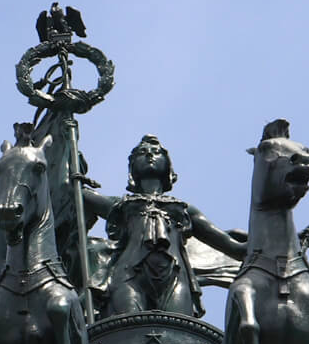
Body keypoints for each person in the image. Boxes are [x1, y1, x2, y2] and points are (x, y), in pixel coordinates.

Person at [83, 135, 248, 317]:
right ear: (132, 168)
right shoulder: (122, 205)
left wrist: (263, 237)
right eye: (142, 153)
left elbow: (232, 247)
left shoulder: (184, 210)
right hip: (128, 276)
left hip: (175, 277)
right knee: (126, 329)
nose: (149, 156)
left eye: (156, 152)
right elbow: (77, 192)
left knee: (180, 330)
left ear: (167, 165)